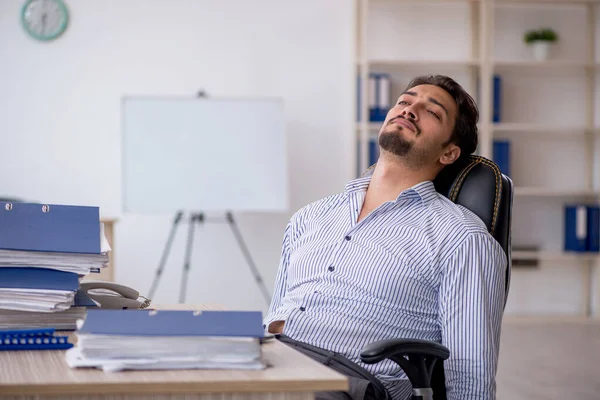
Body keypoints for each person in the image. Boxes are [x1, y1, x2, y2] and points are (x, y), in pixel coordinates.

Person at [263, 74, 507, 400]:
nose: (409, 109)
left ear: (448, 153)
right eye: (405, 101)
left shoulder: (462, 240)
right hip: (272, 363)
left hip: (346, 381)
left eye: (432, 111)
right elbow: (276, 317)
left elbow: (470, 373)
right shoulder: (309, 218)